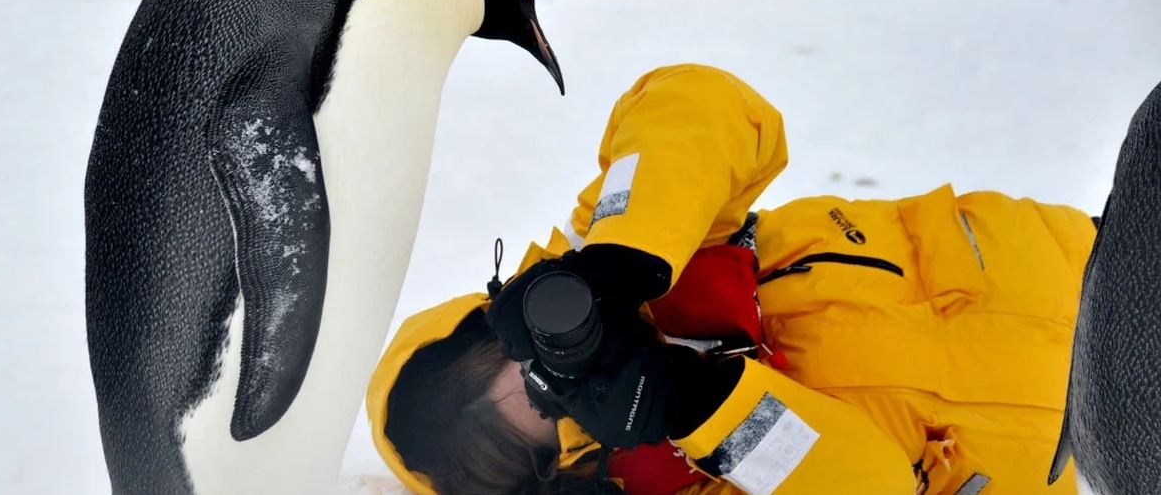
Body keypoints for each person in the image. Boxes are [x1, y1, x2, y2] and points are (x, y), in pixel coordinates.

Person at [365, 63, 1097, 495]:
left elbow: (705, 103)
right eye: (552, 415)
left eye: (531, 369)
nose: (558, 388)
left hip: (1096, 261)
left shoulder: (634, 256)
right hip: (1112, 440)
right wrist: (698, 405)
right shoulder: (689, 480)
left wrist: (625, 255)